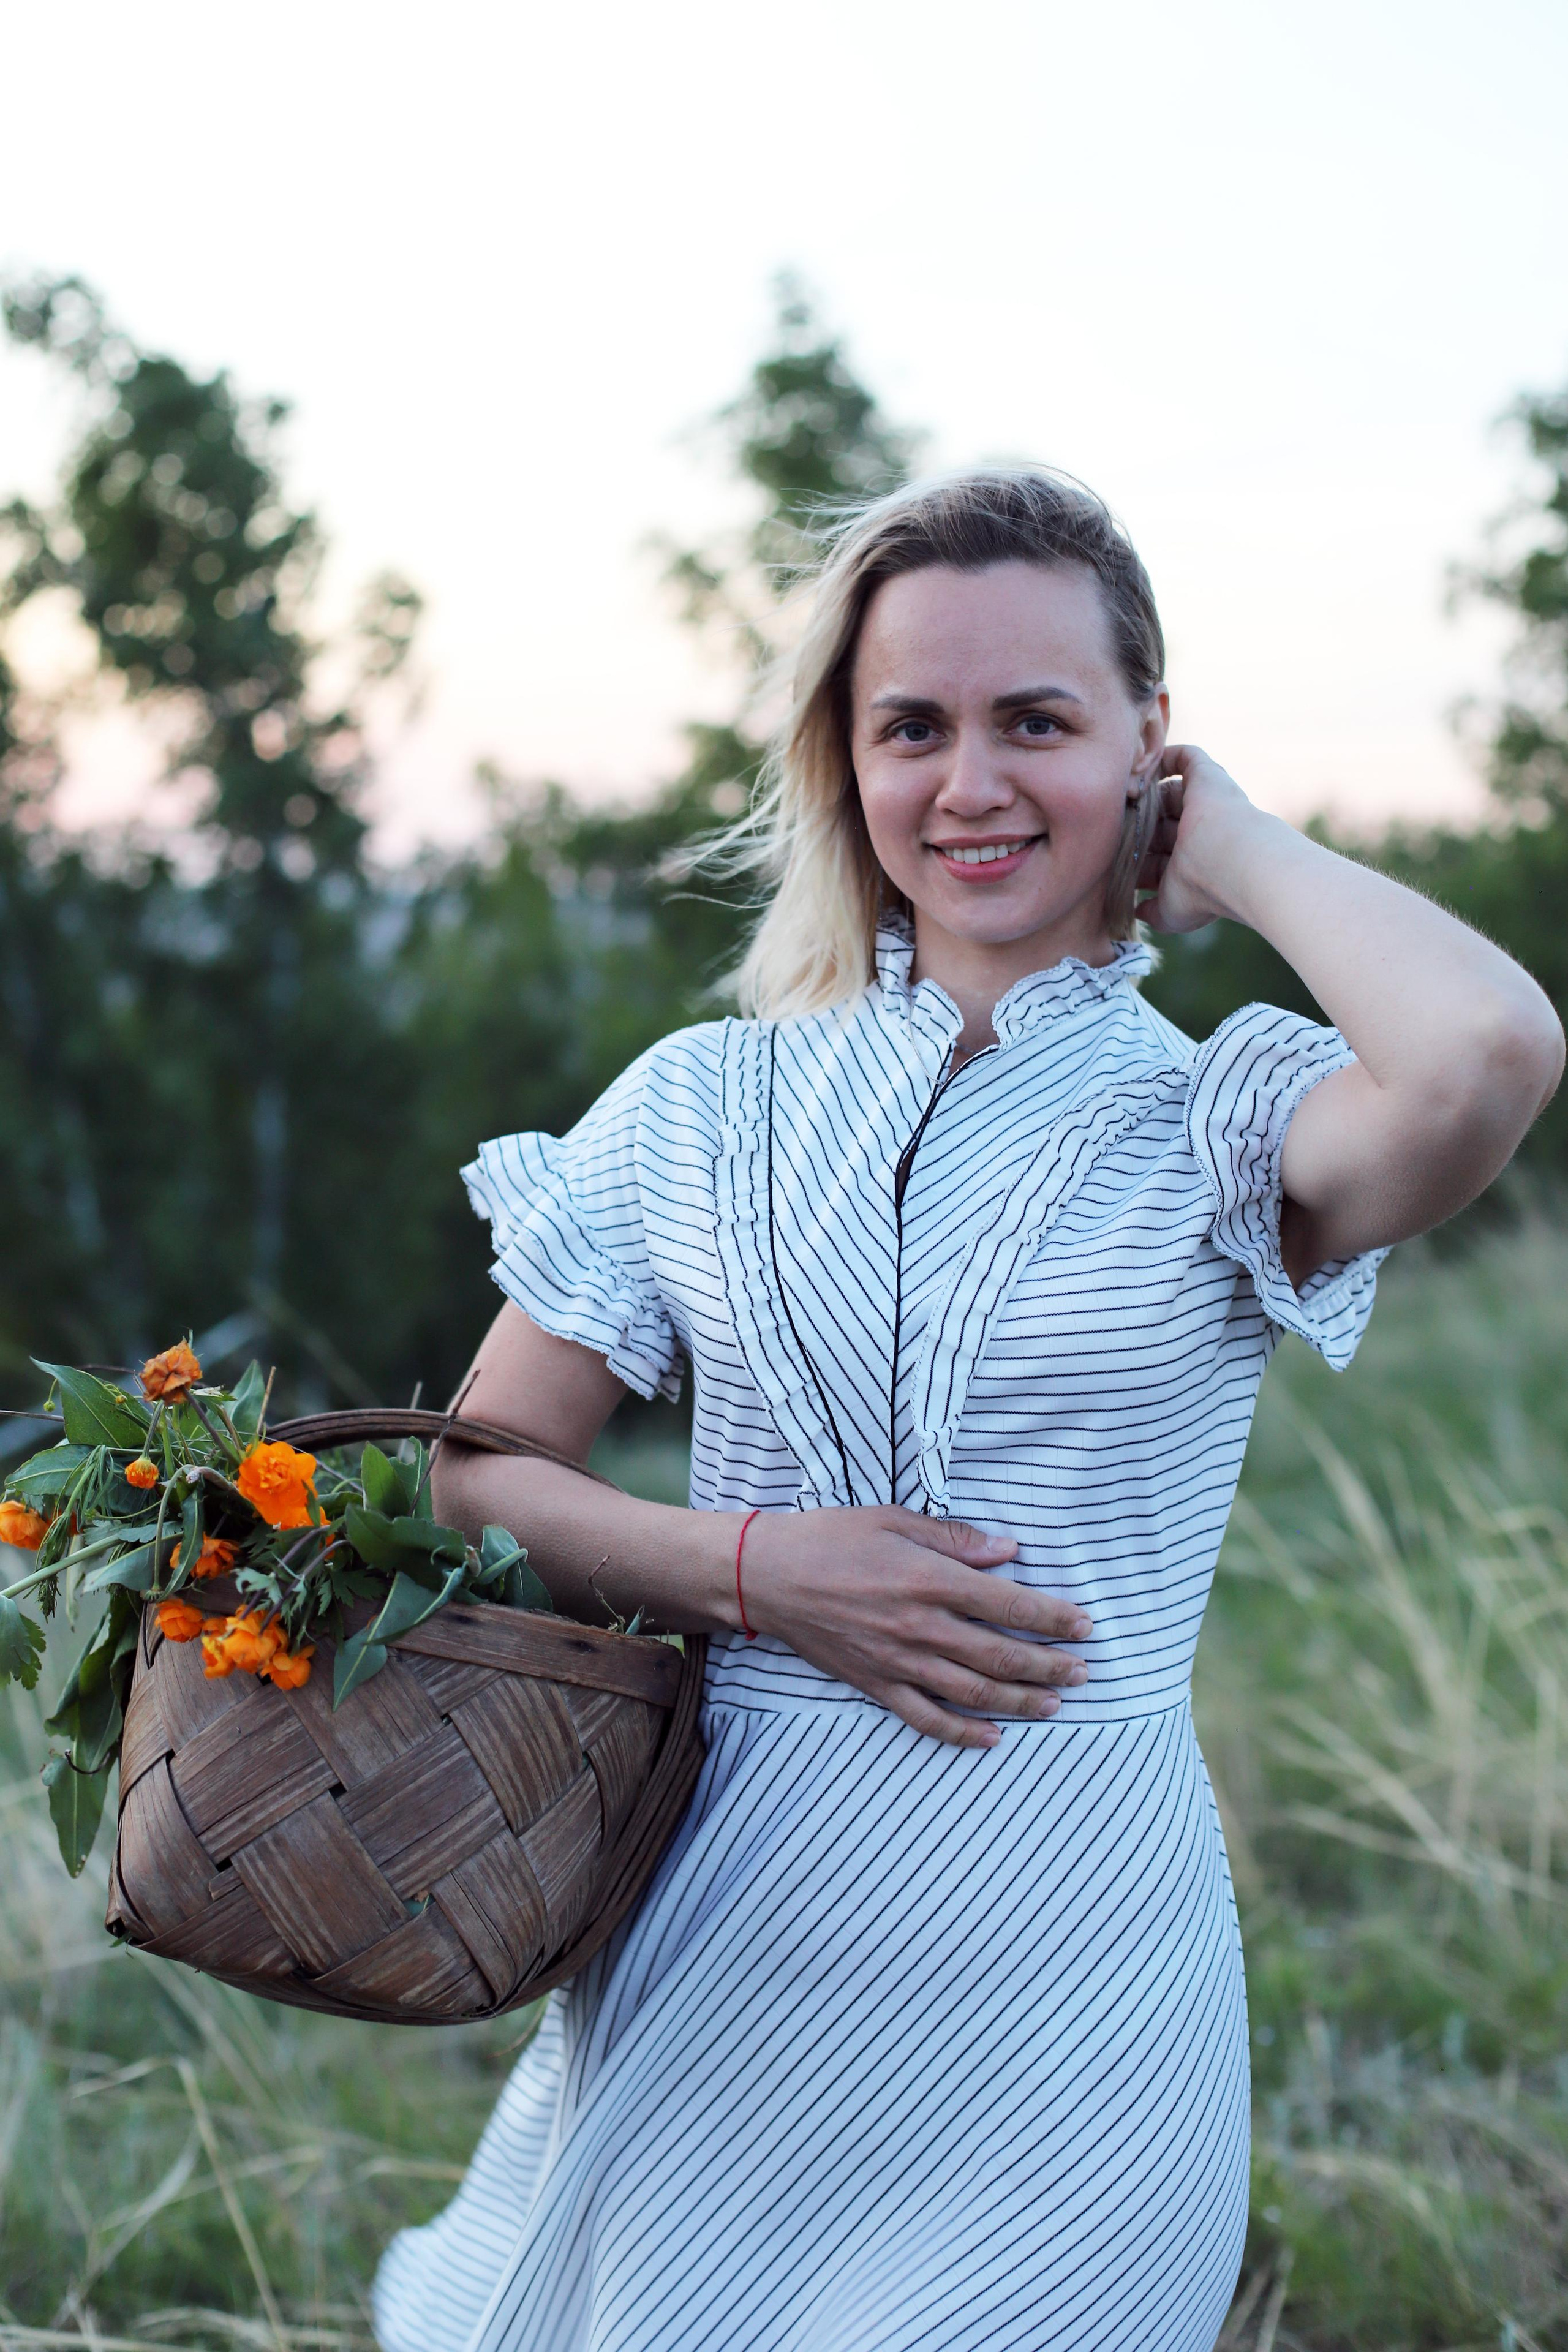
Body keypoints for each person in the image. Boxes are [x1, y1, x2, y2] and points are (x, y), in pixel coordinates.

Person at [371, 469, 1562, 2352]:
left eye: (1040, 722)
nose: (973, 784)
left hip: (1077, 1971)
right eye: (911, 726)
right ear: (845, 761)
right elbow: (467, 1488)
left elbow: (1490, 1050)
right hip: (726, 1947)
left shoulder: (1229, 1118)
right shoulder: (701, 1104)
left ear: (1143, 745)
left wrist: (1234, 846)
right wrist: (755, 1570)